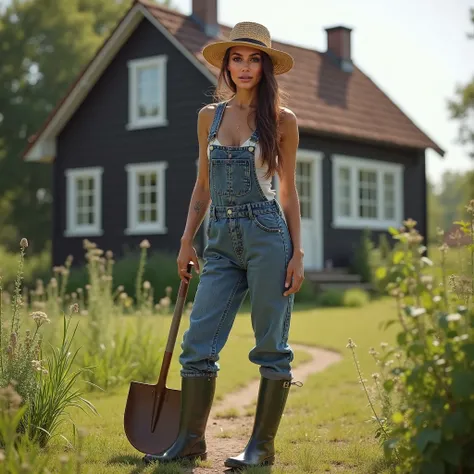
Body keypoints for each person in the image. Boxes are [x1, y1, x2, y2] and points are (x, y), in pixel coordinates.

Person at [143, 21, 304, 469]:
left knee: (271, 344)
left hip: (268, 237)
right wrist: (184, 243)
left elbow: (288, 192)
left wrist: (298, 252)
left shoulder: (282, 121)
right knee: (197, 344)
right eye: (238, 58)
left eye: (254, 59)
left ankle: (261, 448)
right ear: (227, 65)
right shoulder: (208, 117)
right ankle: (191, 440)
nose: (245, 67)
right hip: (218, 241)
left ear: (266, 67)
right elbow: (202, 186)